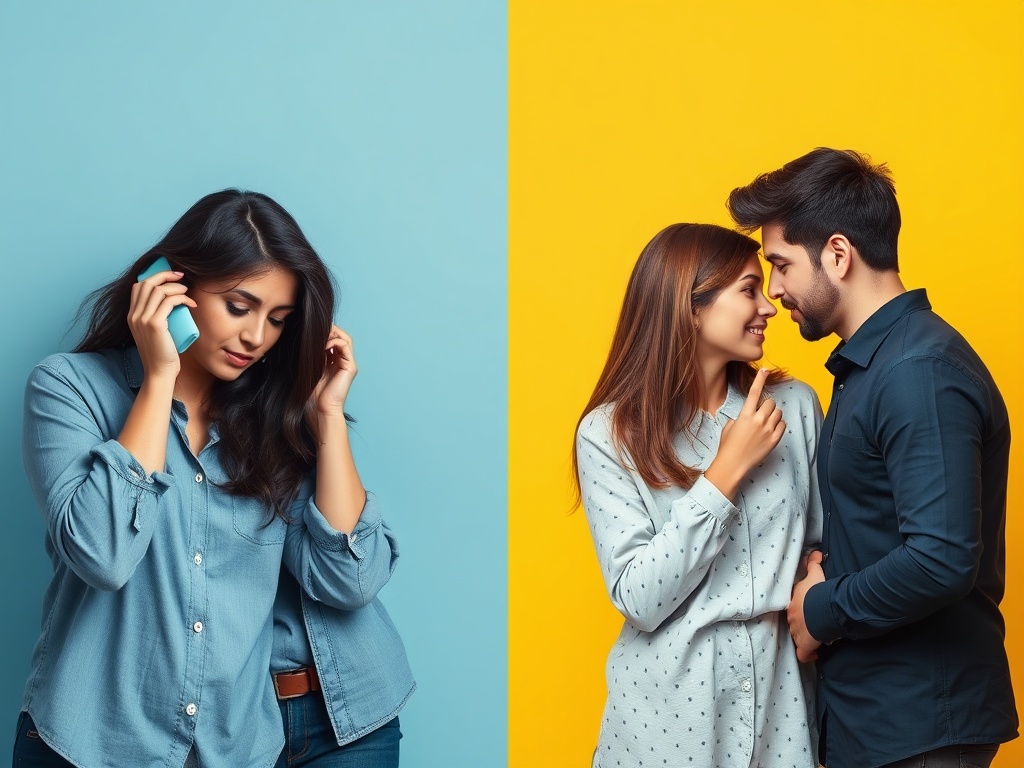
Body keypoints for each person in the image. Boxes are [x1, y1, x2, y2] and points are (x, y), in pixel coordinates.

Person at [13, 190, 412, 768]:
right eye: (238, 306)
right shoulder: (69, 389)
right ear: (172, 286)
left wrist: (327, 415)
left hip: (243, 736)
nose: (257, 337)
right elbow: (101, 555)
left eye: (277, 320)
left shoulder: (274, 415)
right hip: (92, 736)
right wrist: (158, 377)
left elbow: (347, 580)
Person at [728, 148, 1018, 768]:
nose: (774, 293)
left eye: (780, 265)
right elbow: (884, 527)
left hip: (921, 724)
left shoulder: (919, 373)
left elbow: (940, 557)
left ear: (838, 254)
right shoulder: (875, 367)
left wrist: (820, 609)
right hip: (879, 717)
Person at [573, 223, 823, 768]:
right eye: (748, 289)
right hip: (664, 718)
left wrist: (818, 581)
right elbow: (638, 598)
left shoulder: (796, 407)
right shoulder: (608, 434)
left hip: (780, 705)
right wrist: (725, 471)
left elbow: (824, 545)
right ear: (690, 306)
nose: (769, 305)